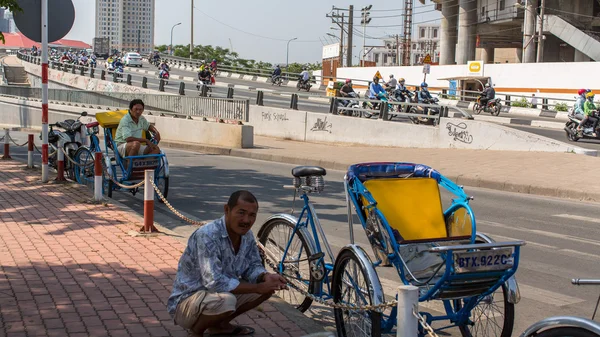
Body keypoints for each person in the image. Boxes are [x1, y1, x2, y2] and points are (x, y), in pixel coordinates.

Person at [167, 190, 287, 336]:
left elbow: (252, 266)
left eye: (252, 215)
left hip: (215, 296)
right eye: (241, 213)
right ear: (227, 210)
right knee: (227, 301)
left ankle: (219, 326)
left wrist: (265, 277)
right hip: (187, 302)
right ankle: (196, 331)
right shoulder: (207, 235)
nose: (246, 220)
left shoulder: (247, 235)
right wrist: (257, 287)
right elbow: (214, 282)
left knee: (267, 289)